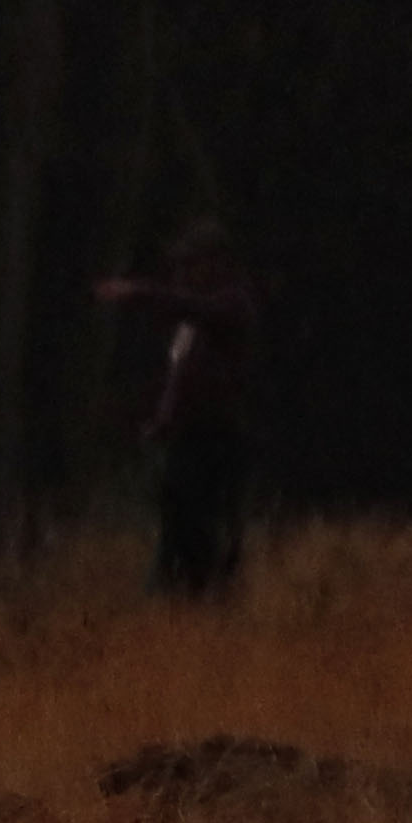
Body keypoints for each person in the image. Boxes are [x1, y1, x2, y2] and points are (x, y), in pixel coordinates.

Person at [94, 221, 260, 601]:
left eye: (191, 264)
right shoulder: (192, 326)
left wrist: (137, 291)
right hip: (186, 439)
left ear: (217, 263)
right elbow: (181, 381)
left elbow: (187, 307)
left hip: (218, 439)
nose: (182, 273)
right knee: (177, 524)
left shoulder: (233, 305)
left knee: (209, 529)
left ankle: (207, 605)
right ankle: (173, 605)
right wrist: (161, 421)